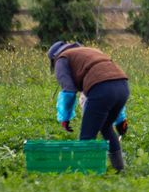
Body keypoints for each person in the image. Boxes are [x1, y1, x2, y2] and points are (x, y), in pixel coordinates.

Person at [47, 41, 129, 171]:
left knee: (87, 136)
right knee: (106, 127)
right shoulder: (92, 51)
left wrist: (65, 117)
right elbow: (112, 82)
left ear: (53, 58)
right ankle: (120, 170)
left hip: (101, 89)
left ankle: (84, 176)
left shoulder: (61, 59)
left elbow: (69, 91)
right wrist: (121, 119)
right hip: (123, 86)